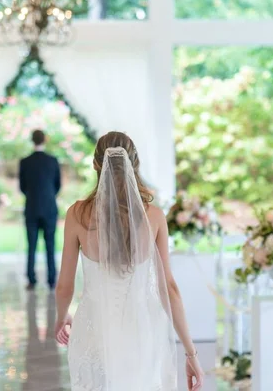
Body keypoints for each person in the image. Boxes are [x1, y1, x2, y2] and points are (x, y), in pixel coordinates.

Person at [54, 132, 204, 390]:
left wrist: (61, 317)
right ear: (135, 164)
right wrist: (191, 354)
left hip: (93, 330)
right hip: (141, 330)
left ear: (95, 165)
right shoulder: (154, 216)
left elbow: (64, 285)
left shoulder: (77, 214)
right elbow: (169, 289)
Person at [19, 129, 61, 290]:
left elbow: (22, 186)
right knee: (50, 245)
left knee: (31, 246)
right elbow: (58, 185)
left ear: (32, 140)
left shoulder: (25, 162)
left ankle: (31, 279)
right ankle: (51, 280)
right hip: (49, 208)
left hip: (31, 207)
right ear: (45, 140)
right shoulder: (53, 161)